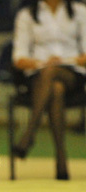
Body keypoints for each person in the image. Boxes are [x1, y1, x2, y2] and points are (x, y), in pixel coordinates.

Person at [11, 0, 86, 180]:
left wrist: (65, 61)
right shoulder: (26, 15)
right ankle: (61, 161)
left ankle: (29, 133)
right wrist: (43, 63)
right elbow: (19, 58)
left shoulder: (80, 11)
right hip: (37, 76)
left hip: (72, 73)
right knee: (55, 88)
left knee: (54, 75)